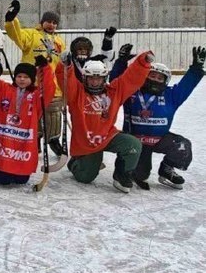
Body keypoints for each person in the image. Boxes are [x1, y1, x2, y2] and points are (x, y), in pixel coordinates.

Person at [110, 45, 205, 190]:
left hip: (159, 139)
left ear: (165, 81)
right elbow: (116, 82)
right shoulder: (132, 92)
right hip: (134, 141)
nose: (155, 79)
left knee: (182, 146)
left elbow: (186, 85)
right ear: (145, 75)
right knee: (141, 175)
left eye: (160, 78)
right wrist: (121, 62)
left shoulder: (171, 95)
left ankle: (167, 168)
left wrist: (196, 68)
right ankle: (125, 171)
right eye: (152, 75)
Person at [59, 52, 154, 193]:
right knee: (86, 178)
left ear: (105, 78)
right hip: (86, 143)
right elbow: (66, 80)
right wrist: (66, 65)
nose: (95, 82)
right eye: (91, 78)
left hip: (108, 136)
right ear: (85, 78)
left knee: (132, 144)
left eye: (99, 78)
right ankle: (75, 163)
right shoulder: (77, 93)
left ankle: (122, 174)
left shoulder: (114, 91)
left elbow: (130, 78)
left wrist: (143, 62)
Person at [4, 0, 66, 156]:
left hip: (53, 85)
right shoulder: (31, 34)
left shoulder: (59, 41)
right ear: (42, 22)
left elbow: (60, 63)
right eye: (48, 21)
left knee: (53, 113)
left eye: (54, 23)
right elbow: (16, 34)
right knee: (32, 113)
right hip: (33, 84)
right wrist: (12, 20)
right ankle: (35, 139)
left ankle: (53, 139)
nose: (51, 25)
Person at [0, 57, 54, 185]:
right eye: (19, 76)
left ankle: (16, 169)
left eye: (26, 77)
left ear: (32, 79)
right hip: (5, 140)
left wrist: (45, 68)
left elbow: (48, 88)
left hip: (23, 143)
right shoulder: (4, 88)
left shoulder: (36, 95)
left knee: (22, 180)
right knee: (3, 180)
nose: (22, 79)